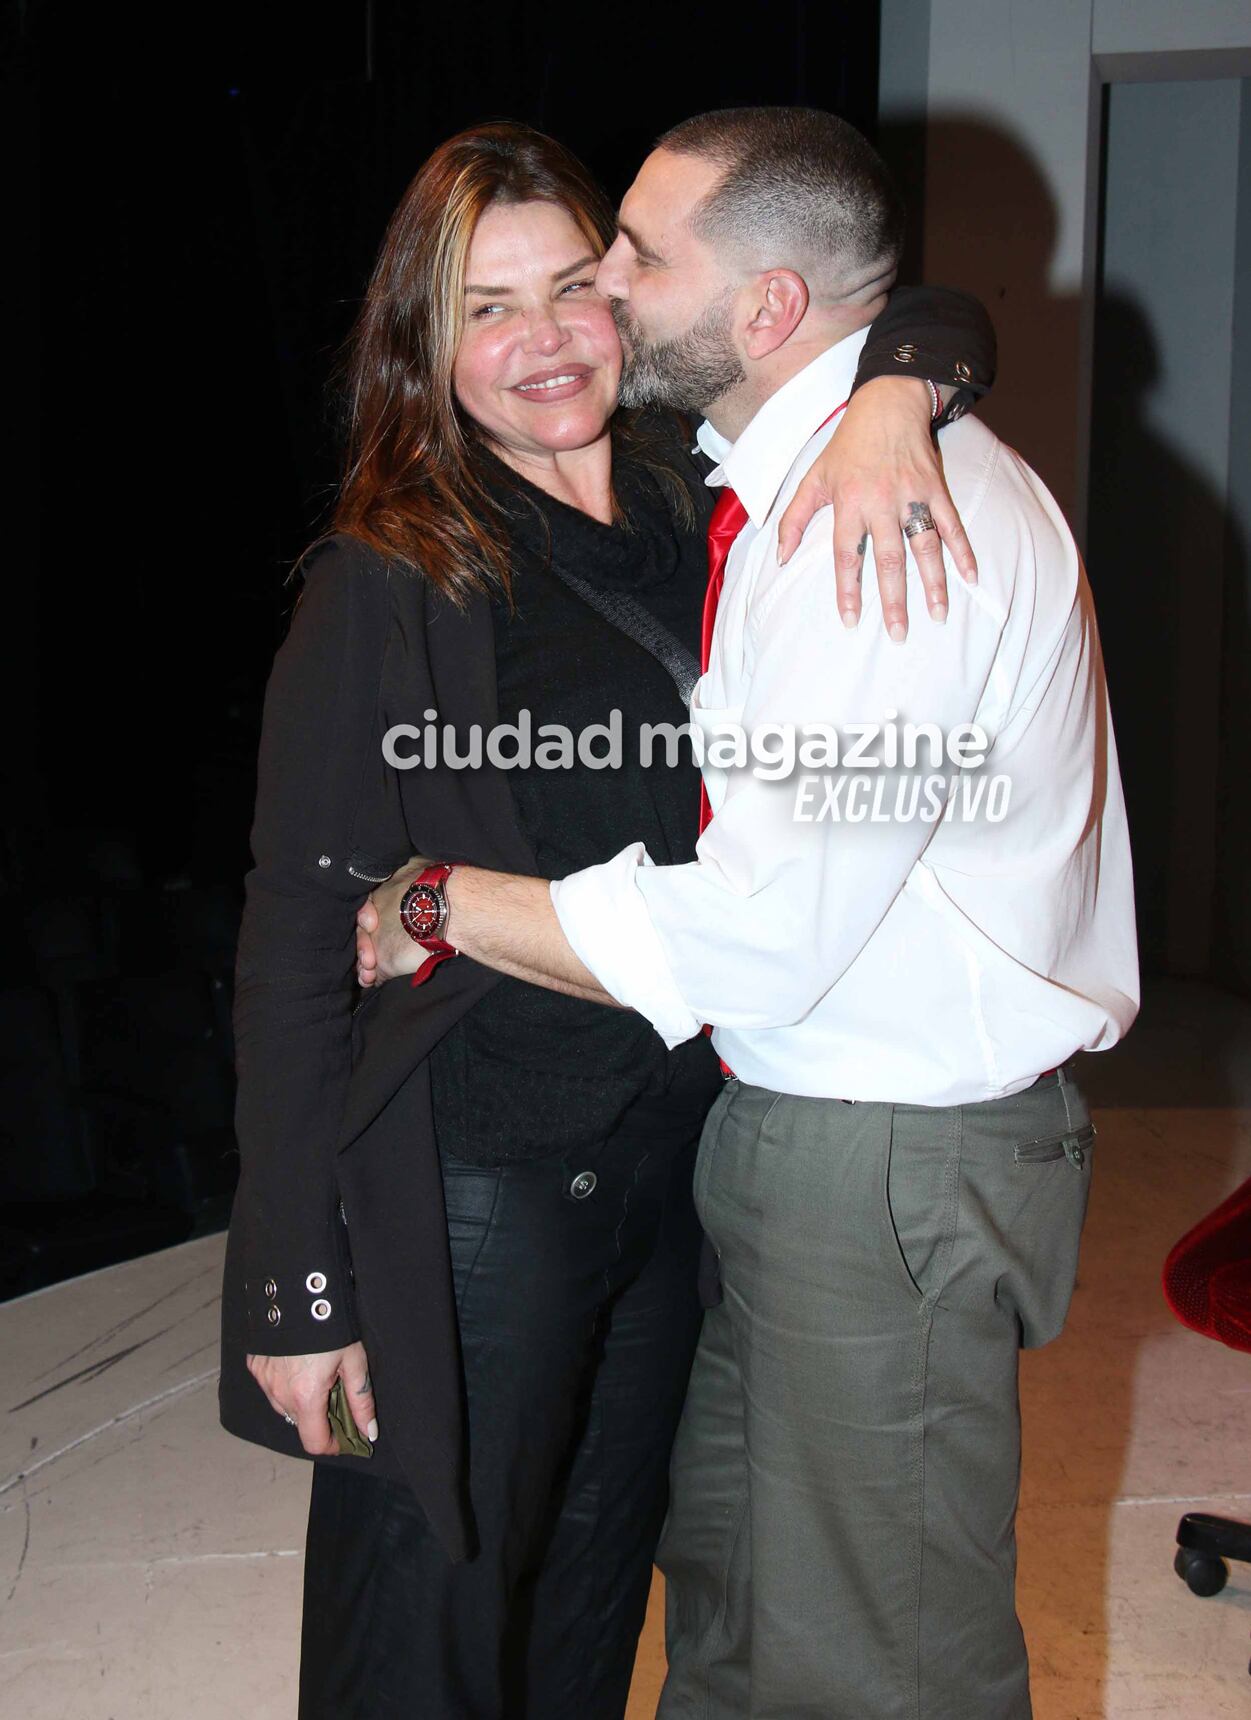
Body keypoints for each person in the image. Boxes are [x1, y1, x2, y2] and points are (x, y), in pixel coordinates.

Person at [354, 108, 1139, 1718]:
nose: (602, 289)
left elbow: (765, 928)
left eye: (636, 256)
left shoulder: (882, 531)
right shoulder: (788, 470)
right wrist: (911, 372)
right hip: (811, 1135)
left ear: (769, 311)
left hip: (888, 1155)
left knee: (881, 1660)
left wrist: (446, 901)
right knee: (733, 1609)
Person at [218, 117, 997, 1719]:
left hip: (672, 1177)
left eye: (575, 285)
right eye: (485, 310)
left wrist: (900, 389)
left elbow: (920, 306)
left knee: (585, 1615)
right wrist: (296, 1291)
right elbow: (292, 946)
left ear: (632, 295)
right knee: (422, 1621)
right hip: (474, 1191)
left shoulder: (694, 489)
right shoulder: (389, 577)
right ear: (424, 348)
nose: (546, 342)